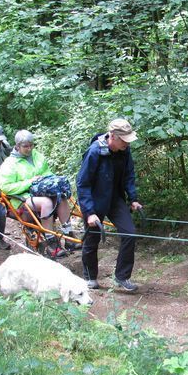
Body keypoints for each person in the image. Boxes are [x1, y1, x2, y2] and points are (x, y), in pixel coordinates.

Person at [76, 118, 143, 292]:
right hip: (95, 200)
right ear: (113, 136)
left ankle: (122, 276)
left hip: (115, 199)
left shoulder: (124, 150)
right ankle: (90, 277)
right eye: (124, 140)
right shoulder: (94, 152)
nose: (127, 144)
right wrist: (89, 212)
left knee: (130, 233)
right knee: (92, 239)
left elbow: (129, 175)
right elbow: (83, 184)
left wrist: (133, 198)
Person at [0, 130, 75, 258]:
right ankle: (52, 243)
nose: (29, 149)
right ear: (17, 146)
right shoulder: (10, 164)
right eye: (25, 146)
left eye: (31, 145)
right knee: (47, 203)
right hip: (22, 198)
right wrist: (30, 182)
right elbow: (6, 187)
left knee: (61, 196)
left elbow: (47, 173)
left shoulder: (37, 156)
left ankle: (69, 236)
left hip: (41, 192)